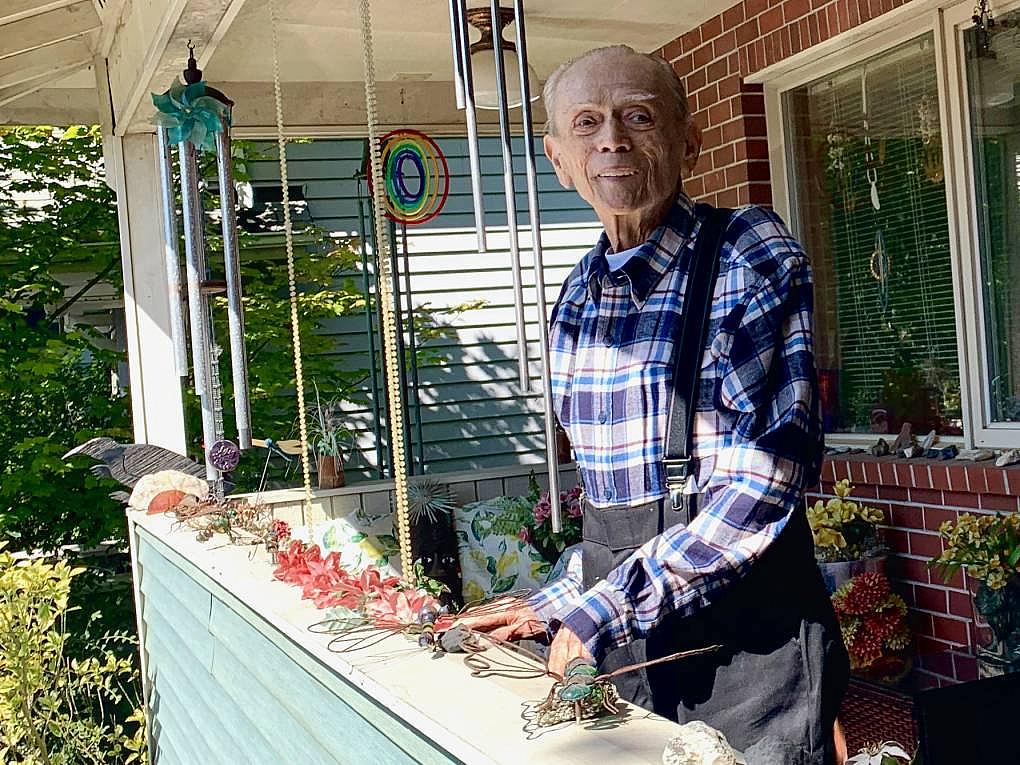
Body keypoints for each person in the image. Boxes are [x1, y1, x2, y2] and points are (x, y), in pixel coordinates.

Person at [459, 45, 849, 762]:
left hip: (752, 662)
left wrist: (603, 608)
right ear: (557, 158)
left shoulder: (746, 253)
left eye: (637, 115)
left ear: (688, 139)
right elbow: (618, 512)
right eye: (586, 123)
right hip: (635, 662)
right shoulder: (575, 300)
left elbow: (762, 484)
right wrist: (553, 600)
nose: (611, 137)